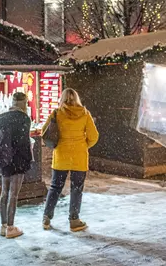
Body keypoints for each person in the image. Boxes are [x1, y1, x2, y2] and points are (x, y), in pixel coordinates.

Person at [42, 88, 99, 232]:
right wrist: (84, 145)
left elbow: (44, 131)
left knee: (55, 187)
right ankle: (74, 220)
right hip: (79, 157)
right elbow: (94, 136)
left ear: (62, 98)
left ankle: (47, 218)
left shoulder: (56, 113)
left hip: (61, 155)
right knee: (76, 188)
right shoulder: (85, 114)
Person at [0, 92, 32, 239]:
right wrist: (28, 160)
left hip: (4, 158)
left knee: (4, 192)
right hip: (18, 159)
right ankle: (11, 227)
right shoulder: (24, 119)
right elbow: (24, 142)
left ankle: (3, 226)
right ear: (24, 103)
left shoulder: (1, 118)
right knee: (14, 194)